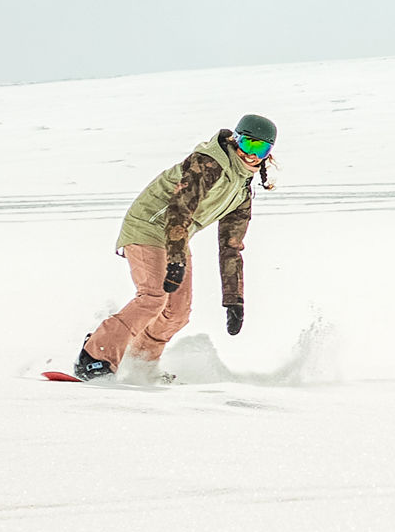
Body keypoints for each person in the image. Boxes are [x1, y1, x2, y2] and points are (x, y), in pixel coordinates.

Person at [70, 115, 278, 381]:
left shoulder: (242, 189)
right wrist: (177, 261)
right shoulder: (208, 163)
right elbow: (179, 211)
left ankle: (139, 364)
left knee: (178, 313)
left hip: (175, 238)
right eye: (248, 144)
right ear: (235, 139)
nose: (252, 155)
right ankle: (95, 356)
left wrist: (234, 300)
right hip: (148, 226)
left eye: (261, 149)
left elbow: (231, 247)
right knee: (153, 296)